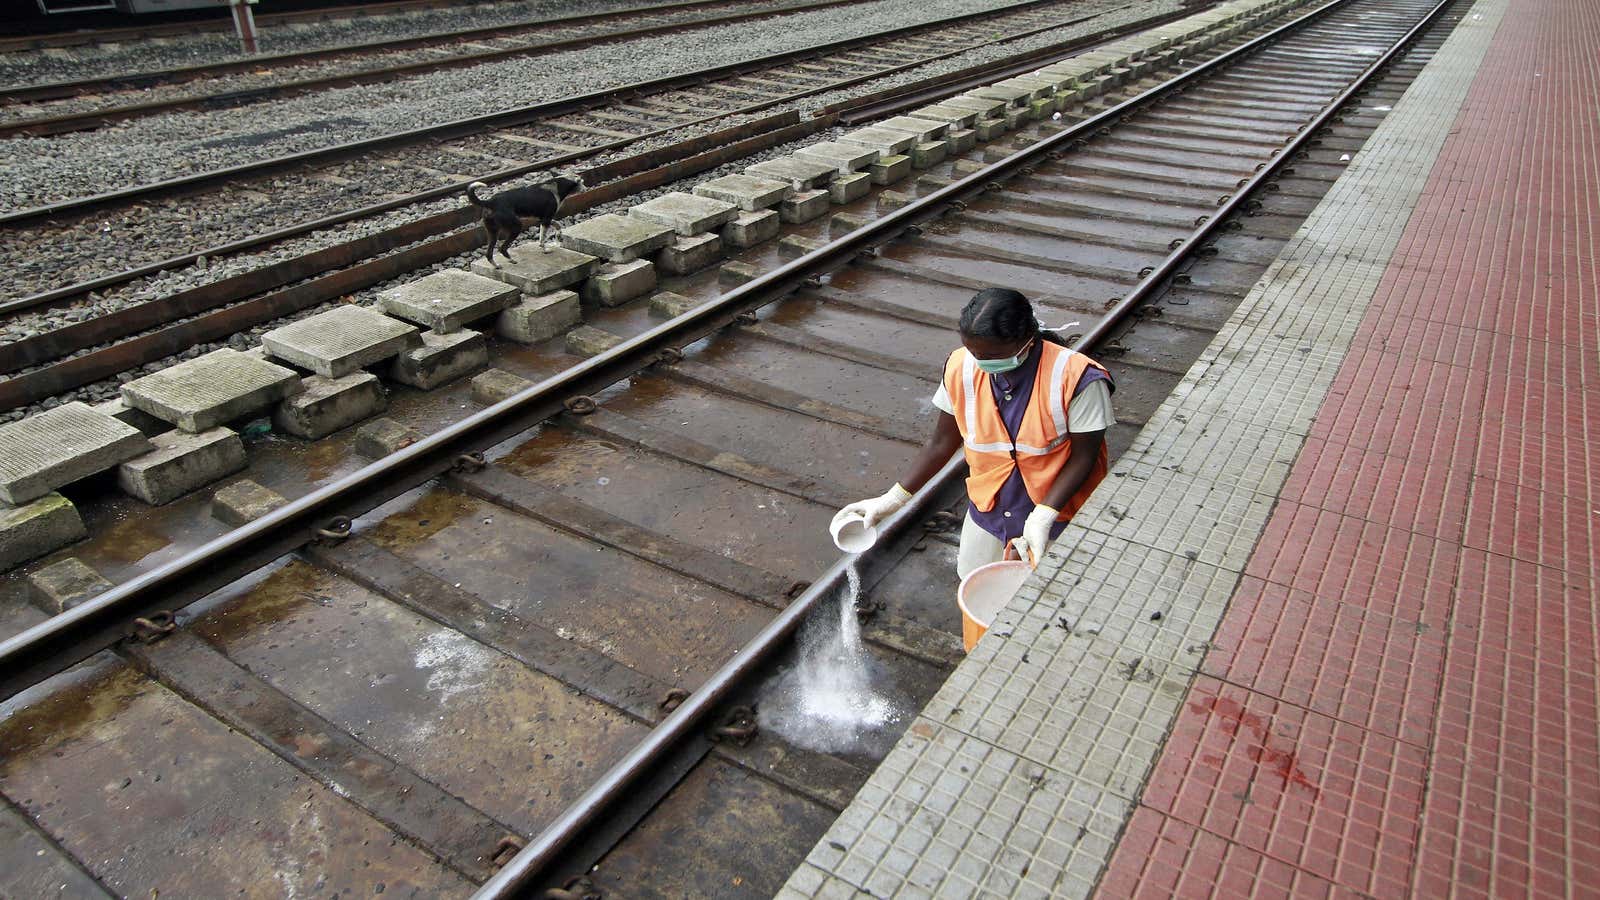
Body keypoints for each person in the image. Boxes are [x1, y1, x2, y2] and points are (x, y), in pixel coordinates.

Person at [833, 287, 1114, 577]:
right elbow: (941, 442)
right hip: (989, 511)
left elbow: (1084, 457)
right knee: (975, 580)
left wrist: (1044, 515)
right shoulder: (961, 367)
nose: (982, 363)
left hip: (1060, 514)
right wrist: (892, 500)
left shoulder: (1080, 379)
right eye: (974, 352)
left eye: (991, 355)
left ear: (1027, 341)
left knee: (1050, 594)